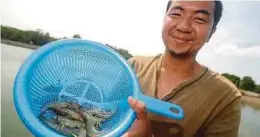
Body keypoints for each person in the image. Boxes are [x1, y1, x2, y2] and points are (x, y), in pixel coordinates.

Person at [122, 0, 242, 137]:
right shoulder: (133, 66)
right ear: (164, 19)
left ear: (211, 33)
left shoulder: (225, 97)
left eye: (199, 19)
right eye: (176, 14)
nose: (184, 26)